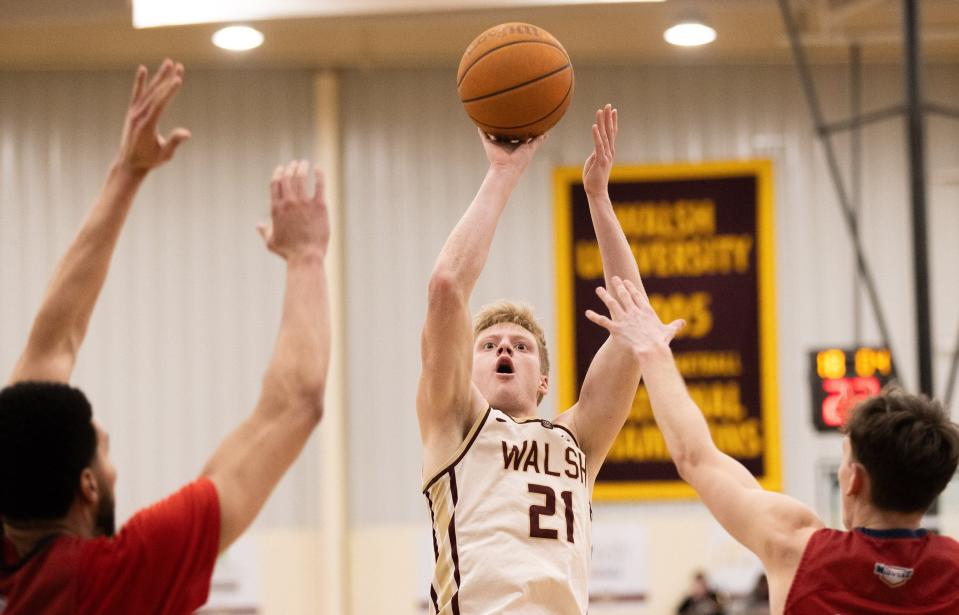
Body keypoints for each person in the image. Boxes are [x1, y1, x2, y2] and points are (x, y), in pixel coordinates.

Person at [0, 60, 332, 614]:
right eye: (105, 454)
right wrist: (307, 256)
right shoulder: (116, 578)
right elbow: (295, 405)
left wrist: (126, 174)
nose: (115, 468)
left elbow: (54, 344)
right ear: (86, 487)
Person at [418, 105, 671, 614]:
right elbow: (447, 286)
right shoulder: (455, 421)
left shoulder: (576, 439)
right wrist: (503, 173)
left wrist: (598, 199)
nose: (505, 349)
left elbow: (634, 327)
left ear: (543, 382)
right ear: (467, 371)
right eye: (488, 346)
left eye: (521, 345)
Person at [585, 274, 959, 614]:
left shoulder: (797, 547)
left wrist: (653, 351)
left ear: (854, 478)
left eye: (844, 461)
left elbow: (695, 458)